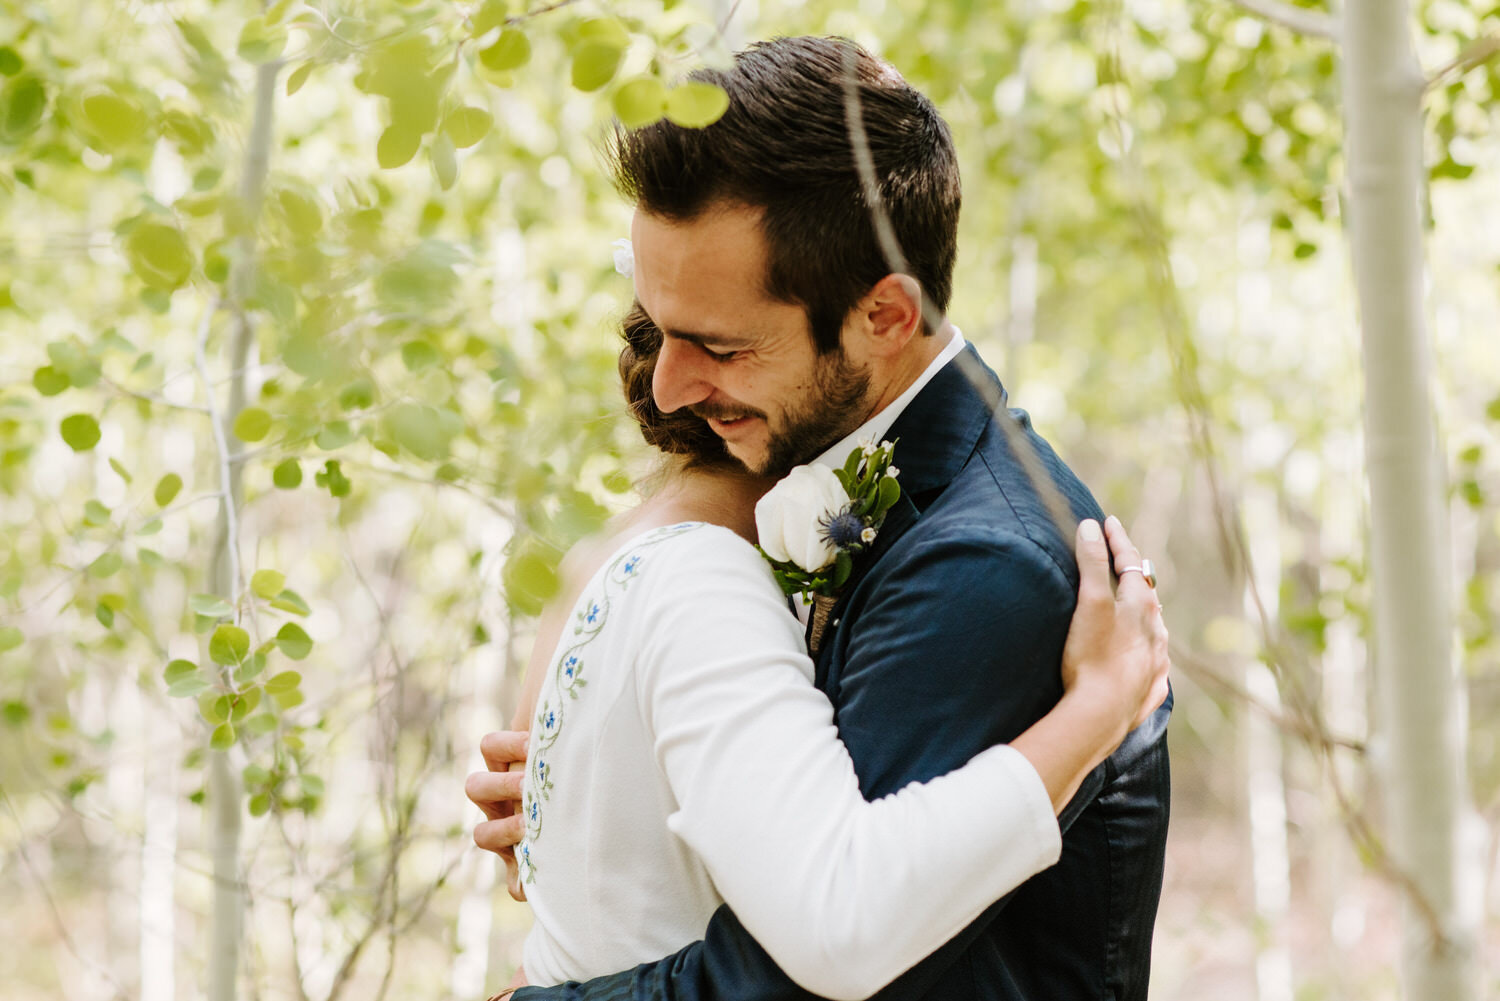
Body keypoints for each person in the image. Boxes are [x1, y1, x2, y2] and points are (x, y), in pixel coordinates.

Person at [471, 35, 1172, 1001]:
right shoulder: (807, 481)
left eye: (717, 344)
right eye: (656, 329)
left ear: (886, 315)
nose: (668, 387)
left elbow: (812, 962)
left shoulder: (986, 566)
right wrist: (595, 799)